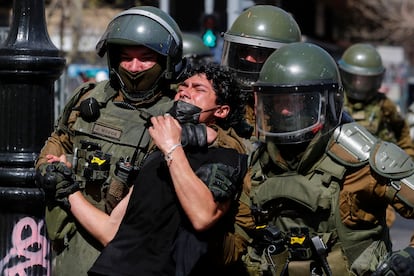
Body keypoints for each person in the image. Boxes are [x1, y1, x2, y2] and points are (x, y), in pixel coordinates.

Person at [39, 64, 250, 275]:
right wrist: (66, 187)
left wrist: (172, 148)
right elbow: (111, 231)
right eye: (183, 86)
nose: (185, 91)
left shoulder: (225, 155)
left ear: (221, 111)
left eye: (198, 89)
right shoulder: (157, 156)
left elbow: (203, 216)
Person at [34, 6, 186, 275]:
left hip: (125, 255)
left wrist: (68, 192)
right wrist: (50, 168)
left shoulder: (171, 119)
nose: (134, 67)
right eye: (126, 58)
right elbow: (59, 140)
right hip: (69, 247)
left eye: (146, 59)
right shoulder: (88, 97)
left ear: (167, 61)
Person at [241, 42, 414, 275]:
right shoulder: (258, 164)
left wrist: (408, 258)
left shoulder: (365, 160)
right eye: (278, 101)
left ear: (325, 102)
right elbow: (236, 242)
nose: (285, 110)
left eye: (298, 102)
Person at [338, 43, 414, 228]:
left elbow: (402, 134)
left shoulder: (384, 105)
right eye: (355, 79)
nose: (359, 85)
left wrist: (404, 167)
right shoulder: (336, 100)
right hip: (343, 175)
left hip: (379, 175)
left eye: (365, 80)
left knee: (378, 224)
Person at [221, 5, 302, 139]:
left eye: (260, 53)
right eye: (243, 51)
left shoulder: (293, 105)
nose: (248, 59)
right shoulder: (223, 96)